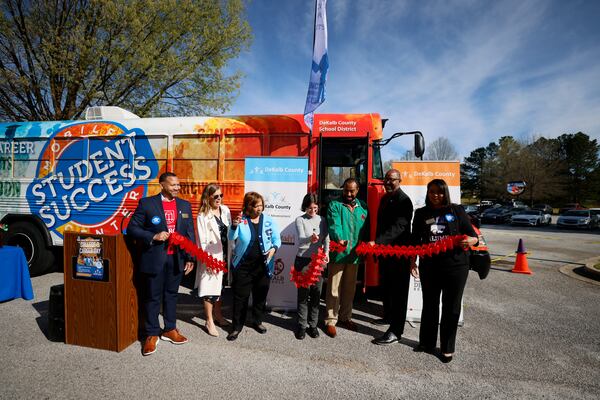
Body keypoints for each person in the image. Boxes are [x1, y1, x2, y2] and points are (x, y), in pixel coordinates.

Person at [127, 172, 195, 356]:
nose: (177, 188)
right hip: (155, 259)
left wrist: (190, 257)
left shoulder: (184, 205)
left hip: (176, 259)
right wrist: (153, 236)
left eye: (178, 184)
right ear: (162, 185)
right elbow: (132, 228)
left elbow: (190, 234)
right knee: (153, 297)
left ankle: (170, 329)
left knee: (172, 295)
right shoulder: (147, 204)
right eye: (173, 185)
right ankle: (151, 334)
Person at [410, 179, 478, 363]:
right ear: (428, 192)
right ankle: (426, 343)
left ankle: (447, 348)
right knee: (430, 304)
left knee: (451, 306)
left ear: (445, 192)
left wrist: (473, 241)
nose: (435, 195)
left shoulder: (456, 210)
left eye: (439, 192)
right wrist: (412, 261)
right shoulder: (421, 213)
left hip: (455, 266)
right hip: (430, 266)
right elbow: (415, 240)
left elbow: (473, 235)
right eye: (432, 191)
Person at [227, 192, 281, 341]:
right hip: (243, 267)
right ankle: (236, 327)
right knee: (240, 298)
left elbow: (277, 238)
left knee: (260, 297)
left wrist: (274, 248)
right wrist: (233, 226)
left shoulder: (269, 220)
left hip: (263, 266)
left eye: (261, 205)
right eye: (256, 205)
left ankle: (257, 321)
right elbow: (231, 238)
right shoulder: (241, 220)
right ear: (249, 206)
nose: (259, 208)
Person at [371, 169, 414, 345]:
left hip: (399, 255)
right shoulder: (384, 198)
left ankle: (396, 332)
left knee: (399, 294)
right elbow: (381, 226)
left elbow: (399, 227)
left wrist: (378, 242)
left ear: (400, 181)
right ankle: (388, 316)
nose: (388, 182)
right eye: (386, 179)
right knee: (387, 288)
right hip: (385, 254)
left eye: (392, 180)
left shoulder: (405, 201)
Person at [324, 178, 369, 338]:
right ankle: (330, 320)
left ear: (357, 190)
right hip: (339, 254)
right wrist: (339, 238)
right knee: (333, 288)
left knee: (350, 289)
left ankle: (345, 317)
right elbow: (334, 224)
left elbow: (365, 229)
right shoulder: (334, 205)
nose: (349, 194)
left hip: (355, 255)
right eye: (346, 190)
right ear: (343, 189)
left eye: (352, 191)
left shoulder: (363, 207)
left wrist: (365, 246)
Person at [196, 183, 231, 337]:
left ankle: (218, 315)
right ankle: (209, 320)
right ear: (208, 197)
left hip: (224, 255)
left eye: (221, 195)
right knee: (209, 289)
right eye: (216, 196)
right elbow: (201, 241)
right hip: (211, 256)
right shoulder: (202, 216)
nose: (219, 199)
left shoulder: (226, 210)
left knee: (220, 288)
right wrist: (207, 260)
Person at [294, 193, 330, 340]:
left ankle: (313, 325)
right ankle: (302, 326)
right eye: (309, 208)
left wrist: (327, 253)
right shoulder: (299, 220)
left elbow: (326, 238)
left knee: (316, 294)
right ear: (305, 207)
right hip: (303, 261)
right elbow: (302, 240)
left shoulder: (322, 220)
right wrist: (311, 238)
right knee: (303, 295)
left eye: (315, 208)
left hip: (318, 262)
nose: (313, 211)